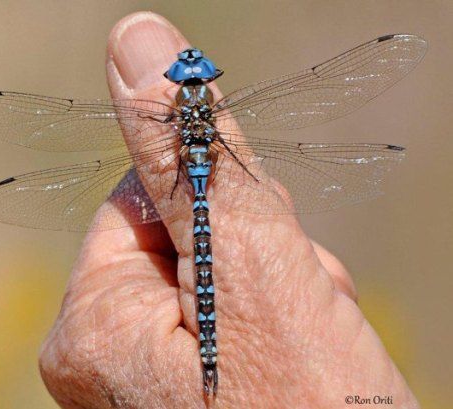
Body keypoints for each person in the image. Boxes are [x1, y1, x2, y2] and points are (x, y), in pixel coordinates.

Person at [38, 11, 419, 408]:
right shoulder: (211, 109)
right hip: (207, 171)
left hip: (189, 173)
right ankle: (212, 363)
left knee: (200, 236)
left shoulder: (171, 107)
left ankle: (208, 364)